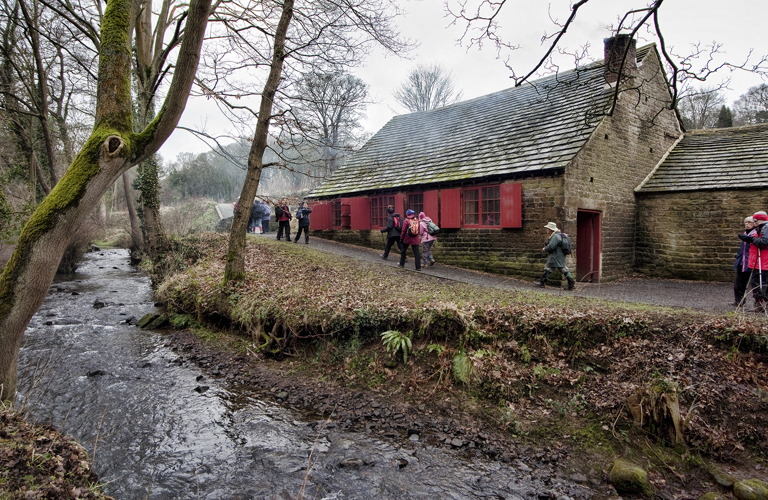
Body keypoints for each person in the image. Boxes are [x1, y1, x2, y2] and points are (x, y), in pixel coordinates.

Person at [536, 222, 576, 290]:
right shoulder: (558, 235)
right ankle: (571, 284)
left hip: (555, 256)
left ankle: (542, 283)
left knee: (550, 268)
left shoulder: (555, 236)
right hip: (559, 256)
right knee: (560, 269)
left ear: (550, 229)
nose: (546, 230)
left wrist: (545, 249)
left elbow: (551, 246)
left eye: (547, 229)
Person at [741, 211, 768, 312]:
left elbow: (765, 242)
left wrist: (751, 240)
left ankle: (760, 305)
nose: (754, 222)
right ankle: (760, 304)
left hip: (764, 262)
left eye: (755, 220)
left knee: (758, 284)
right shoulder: (763, 227)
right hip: (760, 261)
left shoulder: (766, 227)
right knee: (759, 283)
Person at [733, 216, 755, 306]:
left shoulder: (755, 234)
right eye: (746, 222)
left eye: (749, 222)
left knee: (754, 283)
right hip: (742, 262)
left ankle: (759, 303)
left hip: (751, 262)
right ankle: (739, 301)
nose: (747, 224)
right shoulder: (745, 233)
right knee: (738, 283)